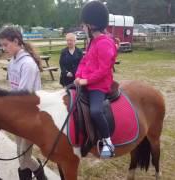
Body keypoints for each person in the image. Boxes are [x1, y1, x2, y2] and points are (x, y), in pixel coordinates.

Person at [0, 27, 47, 180]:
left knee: (23, 158)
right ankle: (38, 174)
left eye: (6, 44)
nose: (3, 48)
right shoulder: (13, 61)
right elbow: (13, 88)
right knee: (20, 154)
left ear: (16, 41)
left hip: (31, 116)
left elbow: (21, 96)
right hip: (18, 116)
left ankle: (40, 175)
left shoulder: (27, 64)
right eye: (2, 45)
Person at [74, 1, 118, 158]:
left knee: (95, 111)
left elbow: (104, 69)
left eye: (84, 24)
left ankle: (108, 142)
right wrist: (78, 75)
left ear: (91, 25)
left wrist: (86, 81)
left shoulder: (106, 43)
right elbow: (84, 61)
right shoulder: (92, 42)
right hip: (85, 81)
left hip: (98, 86)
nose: (82, 27)